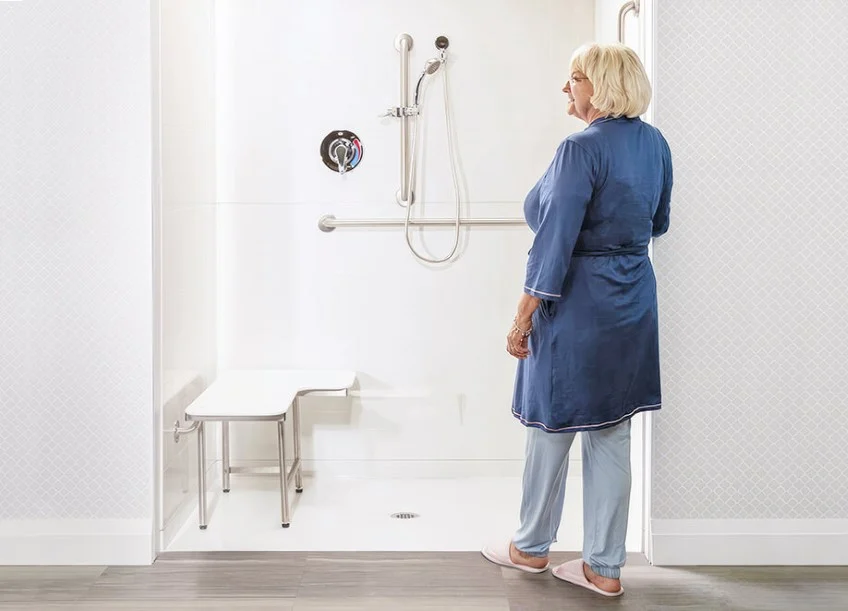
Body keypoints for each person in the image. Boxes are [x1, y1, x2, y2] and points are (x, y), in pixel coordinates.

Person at [481, 42, 673, 598]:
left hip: (577, 301)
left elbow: (555, 242)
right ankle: (604, 569)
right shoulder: (656, 144)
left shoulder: (580, 149)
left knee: (550, 422)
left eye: (575, 78)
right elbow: (658, 222)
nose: (566, 88)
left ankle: (531, 548)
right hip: (633, 299)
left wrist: (522, 317)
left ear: (602, 85)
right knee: (611, 432)